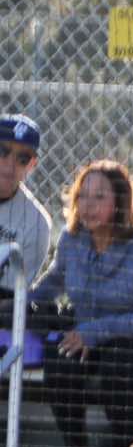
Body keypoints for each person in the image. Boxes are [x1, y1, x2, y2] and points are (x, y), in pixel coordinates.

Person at [27, 159, 133, 447]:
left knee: (117, 364)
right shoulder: (72, 240)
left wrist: (94, 333)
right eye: (83, 196)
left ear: (120, 202)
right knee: (59, 359)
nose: (88, 205)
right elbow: (53, 282)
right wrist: (19, 300)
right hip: (85, 337)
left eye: (99, 197)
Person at [0, 113, 50, 315]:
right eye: (2, 151)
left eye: (22, 158)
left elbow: (8, 300)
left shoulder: (36, 223)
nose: (10, 165)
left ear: (32, 164)